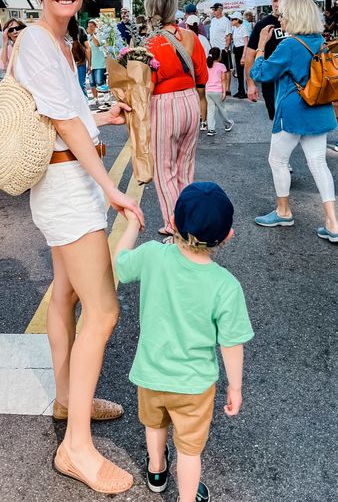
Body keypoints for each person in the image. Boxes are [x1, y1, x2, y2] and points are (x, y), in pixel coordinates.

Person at [13, 0, 144, 494]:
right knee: (105, 309)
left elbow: (67, 115)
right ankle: (77, 447)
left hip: (69, 181)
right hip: (68, 188)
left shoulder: (61, 43)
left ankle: (69, 399)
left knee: (66, 292)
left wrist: (102, 116)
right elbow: (64, 126)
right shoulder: (37, 41)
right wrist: (113, 187)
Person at [114, 182, 254, 502]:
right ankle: (187, 498)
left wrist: (133, 223)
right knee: (190, 449)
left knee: (155, 425)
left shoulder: (152, 255)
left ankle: (157, 472)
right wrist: (235, 387)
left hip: (150, 373)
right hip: (194, 385)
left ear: (173, 224)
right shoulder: (226, 286)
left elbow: (121, 264)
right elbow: (231, 343)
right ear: (227, 236)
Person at [249, 0, 338, 241]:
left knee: (277, 161)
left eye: (284, 15)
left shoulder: (289, 45)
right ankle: (332, 223)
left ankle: (283, 211)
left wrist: (261, 46)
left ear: (294, 17)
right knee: (319, 164)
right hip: (319, 109)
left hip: (292, 112)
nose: (281, 19)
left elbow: (261, 73)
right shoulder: (320, 40)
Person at [145, 0, 208, 236]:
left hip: (163, 104)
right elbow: (201, 75)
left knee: (164, 170)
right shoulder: (190, 36)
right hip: (190, 100)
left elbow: (147, 83)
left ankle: (175, 224)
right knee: (185, 168)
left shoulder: (151, 42)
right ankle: (187, 220)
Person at [246, 0, 291, 120]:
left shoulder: (300, 23)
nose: (277, 5)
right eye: (275, 1)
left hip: (296, 82)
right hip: (272, 83)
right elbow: (250, 56)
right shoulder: (262, 26)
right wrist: (251, 84)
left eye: (282, 0)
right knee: (278, 121)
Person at [185, 15, 210, 131]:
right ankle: (204, 122)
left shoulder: (186, 38)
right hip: (202, 71)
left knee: (190, 98)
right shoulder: (204, 39)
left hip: (190, 73)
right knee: (202, 97)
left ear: (187, 25)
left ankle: (193, 121)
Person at [205, 47, 234, 137]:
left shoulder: (206, 65)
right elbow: (223, 80)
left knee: (210, 110)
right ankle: (227, 123)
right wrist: (224, 92)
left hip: (208, 90)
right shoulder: (221, 66)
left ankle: (211, 129)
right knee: (221, 108)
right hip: (217, 91)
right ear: (218, 56)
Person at [209, 3, 232, 95]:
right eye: (213, 10)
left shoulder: (226, 21)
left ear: (220, 9)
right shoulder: (213, 20)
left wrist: (226, 47)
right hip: (214, 48)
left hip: (222, 48)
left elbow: (228, 35)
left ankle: (227, 88)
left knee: (226, 69)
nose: (213, 12)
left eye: (214, 10)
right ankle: (219, 86)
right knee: (215, 68)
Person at [68, 18, 91, 99]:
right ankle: (85, 107)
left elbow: (88, 48)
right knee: (81, 85)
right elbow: (88, 48)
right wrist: (89, 65)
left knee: (72, 87)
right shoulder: (81, 30)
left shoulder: (61, 31)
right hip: (80, 62)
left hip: (71, 64)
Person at [86, 19, 107, 106]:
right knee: (92, 83)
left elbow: (97, 44)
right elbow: (87, 50)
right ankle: (95, 99)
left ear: (96, 27)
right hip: (91, 64)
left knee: (100, 82)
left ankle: (106, 99)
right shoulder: (87, 37)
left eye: (91, 26)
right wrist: (88, 64)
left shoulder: (101, 36)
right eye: (88, 26)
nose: (89, 28)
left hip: (100, 64)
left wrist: (92, 34)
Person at [229, 12, 248, 99]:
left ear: (237, 20)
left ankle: (243, 91)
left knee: (242, 72)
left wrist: (244, 55)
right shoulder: (235, 28)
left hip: (242, 50)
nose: (231, 21)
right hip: (237, 49)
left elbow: (246, 43)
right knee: (238, 72)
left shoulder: (243, 28)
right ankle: (240, 90)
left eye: (233, 19)